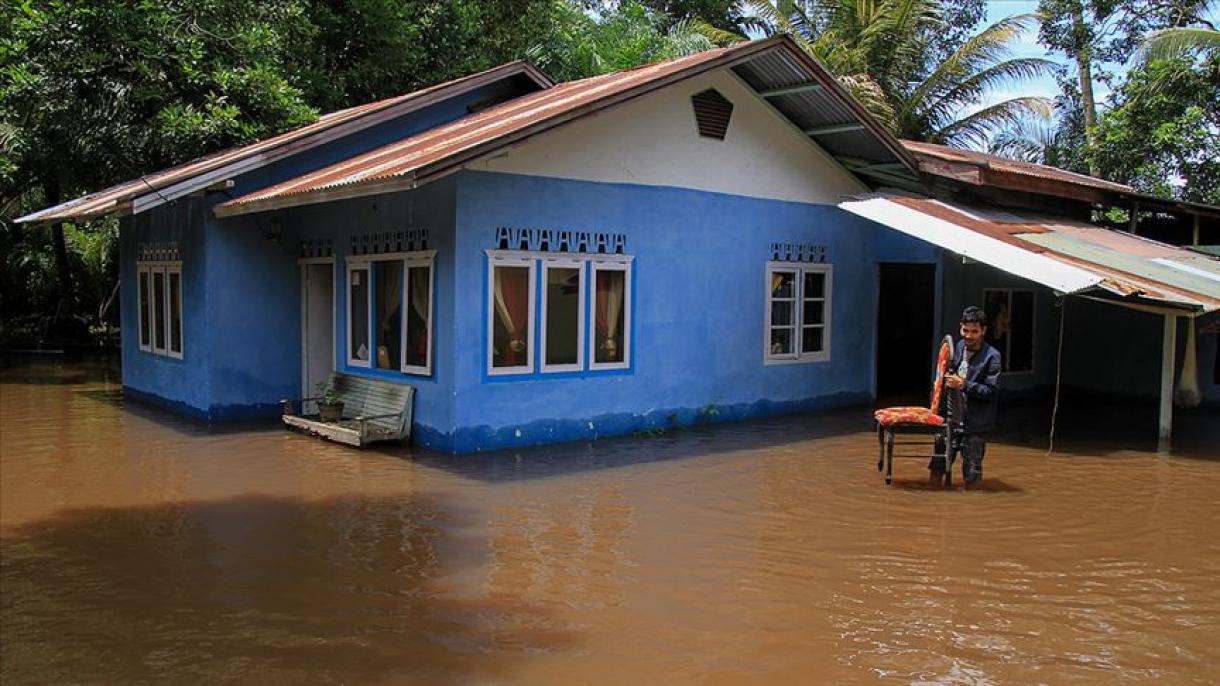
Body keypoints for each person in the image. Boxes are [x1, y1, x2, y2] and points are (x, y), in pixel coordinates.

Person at [931, 306, 1002, 486]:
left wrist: (963, 384)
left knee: (972, 473)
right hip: (950, 420)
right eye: (965, 330)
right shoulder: (956, 348)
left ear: (984, 331)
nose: (969, 336)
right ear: (960, 327)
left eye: (974, 332)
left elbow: (991, 391)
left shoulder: (992, 357)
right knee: (938, 466)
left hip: (975, 425)